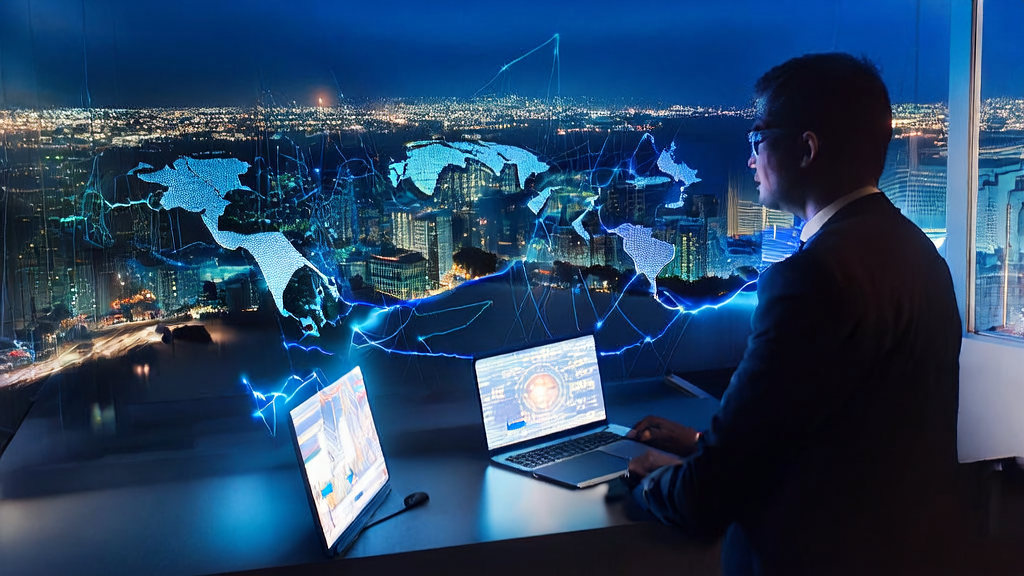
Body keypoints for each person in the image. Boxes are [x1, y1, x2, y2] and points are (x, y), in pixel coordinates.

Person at [624, 53, 965, 575]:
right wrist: (700, 444)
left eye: (757, 139)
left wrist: (649, 480)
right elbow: (848, 435)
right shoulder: (918, 253)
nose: (749, 159)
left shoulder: (810, 278)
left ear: (806, 148)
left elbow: (707, 499)